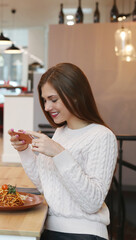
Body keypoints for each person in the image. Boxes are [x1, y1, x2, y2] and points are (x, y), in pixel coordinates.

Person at [8, 63, 117, 240]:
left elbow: (92, 203)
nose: (47, 107)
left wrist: (59, 153)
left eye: (53, 99)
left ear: (74, 95)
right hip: (49, 227)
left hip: (83, 233)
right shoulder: (61, 133)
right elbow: (46, 186)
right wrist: (25, 150)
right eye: (44, 100)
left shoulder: (102, 136)